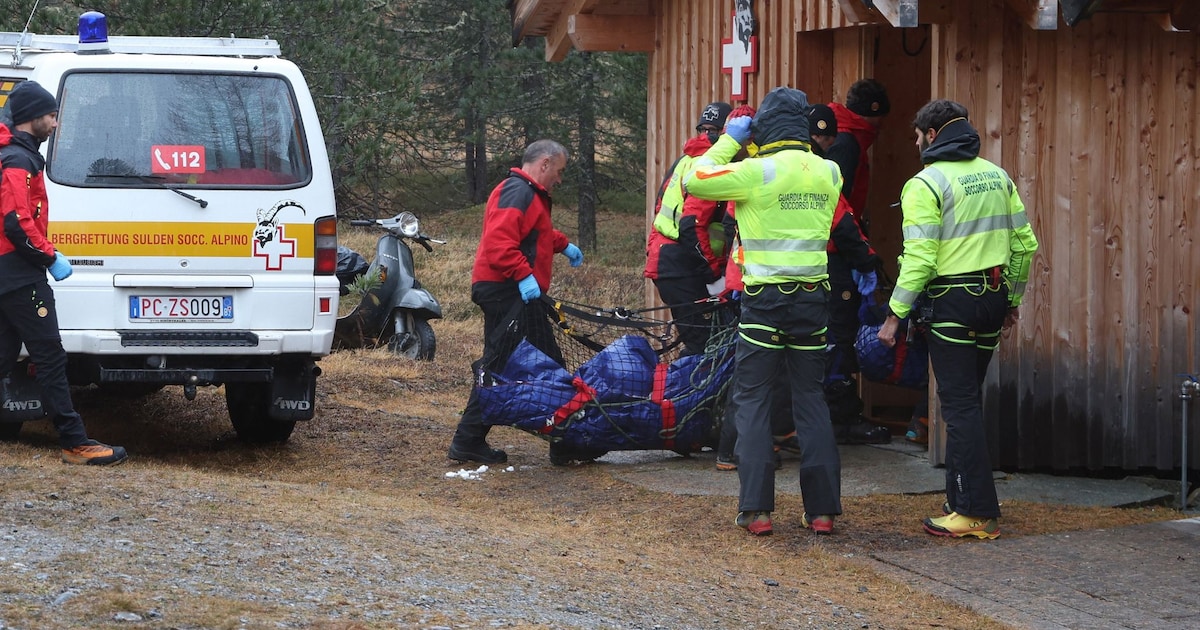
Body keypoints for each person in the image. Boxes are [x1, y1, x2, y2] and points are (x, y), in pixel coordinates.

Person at [877, 99, 1039, 540]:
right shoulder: (997, 175)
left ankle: (975, 512)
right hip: (991, 297)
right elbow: (1025, 244)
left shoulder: (925, 184)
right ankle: (959, 499)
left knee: (959, 406)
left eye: (916, 135)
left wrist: (894, 315)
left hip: (950, 303)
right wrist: (1012, 299)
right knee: (967, 403)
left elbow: (921, 258)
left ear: (932, 135)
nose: (913, 143)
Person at [686, 87, 842, 536]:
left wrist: (730, 139)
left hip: (766, 301)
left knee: (753, 397)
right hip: (813, 298)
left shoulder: (755, 171)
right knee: (811, 399)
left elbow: (696, 180)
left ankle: (756, 510)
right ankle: (823, 512)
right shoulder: (830, 172)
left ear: (763, 127)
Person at [0, 81, 127, 466]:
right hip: (20, 274)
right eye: (52, 116)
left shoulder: (17, 156)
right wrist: (49, 256)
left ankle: (75, 439)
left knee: (3, 357)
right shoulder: (17, 162)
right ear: (32, 118)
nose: (56, 123)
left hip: (11, 271)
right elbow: (16, 223)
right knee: (51, 357)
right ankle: (75, 441)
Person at [447, 139, 584, 466]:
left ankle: (471, 440)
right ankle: (563, 443)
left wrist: (563, 246)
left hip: (510, 291)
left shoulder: (528, 194)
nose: (560, 179)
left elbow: (536, 234)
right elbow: (499, 243)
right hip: (505, 291)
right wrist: (523, 276)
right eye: (560, 171)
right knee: (521, 365)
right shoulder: (517, 191)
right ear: (545, 163)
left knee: (511, 364)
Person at [810, 103, 891, 446]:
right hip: (831, 262)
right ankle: (840, 418)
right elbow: (841, 220)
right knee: (837, 341)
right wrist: (867, 262)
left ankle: (811, 419)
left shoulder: (770, 168)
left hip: (785, 276)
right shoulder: (822, 168)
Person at [646, 101, 733, 357]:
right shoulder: (706, 166)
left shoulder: (685, 160)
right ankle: (685, 395)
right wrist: (714, 272)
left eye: (713, 130)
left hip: (671, 262)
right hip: (681, 264)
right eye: (705, 129)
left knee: (703, 341)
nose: (708, 135)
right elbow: (690, 226)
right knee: (704, 346)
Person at [826, 79, 890, 227]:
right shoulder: (846, 143)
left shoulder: (842, 133)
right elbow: (837, 199)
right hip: (837, 234)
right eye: (881, 116)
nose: (882, 123)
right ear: (873, 111)